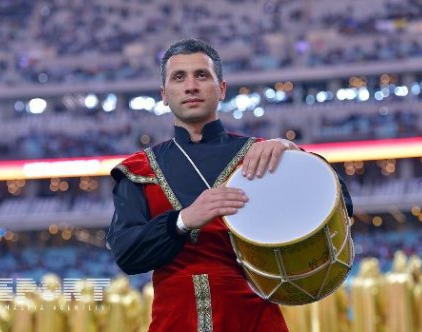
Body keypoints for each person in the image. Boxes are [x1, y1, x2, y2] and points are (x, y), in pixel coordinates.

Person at [106, 38, 353, 332]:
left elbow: (341, 202)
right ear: (164, 94)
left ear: (221, 89)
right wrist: (182, 221)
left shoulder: (263, 154)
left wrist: (294, 154)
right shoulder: (138, 170)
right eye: (179, 77)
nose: (191, 86)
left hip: (255, 320)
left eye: (202, 75)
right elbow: (127, 255)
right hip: (174, 321)